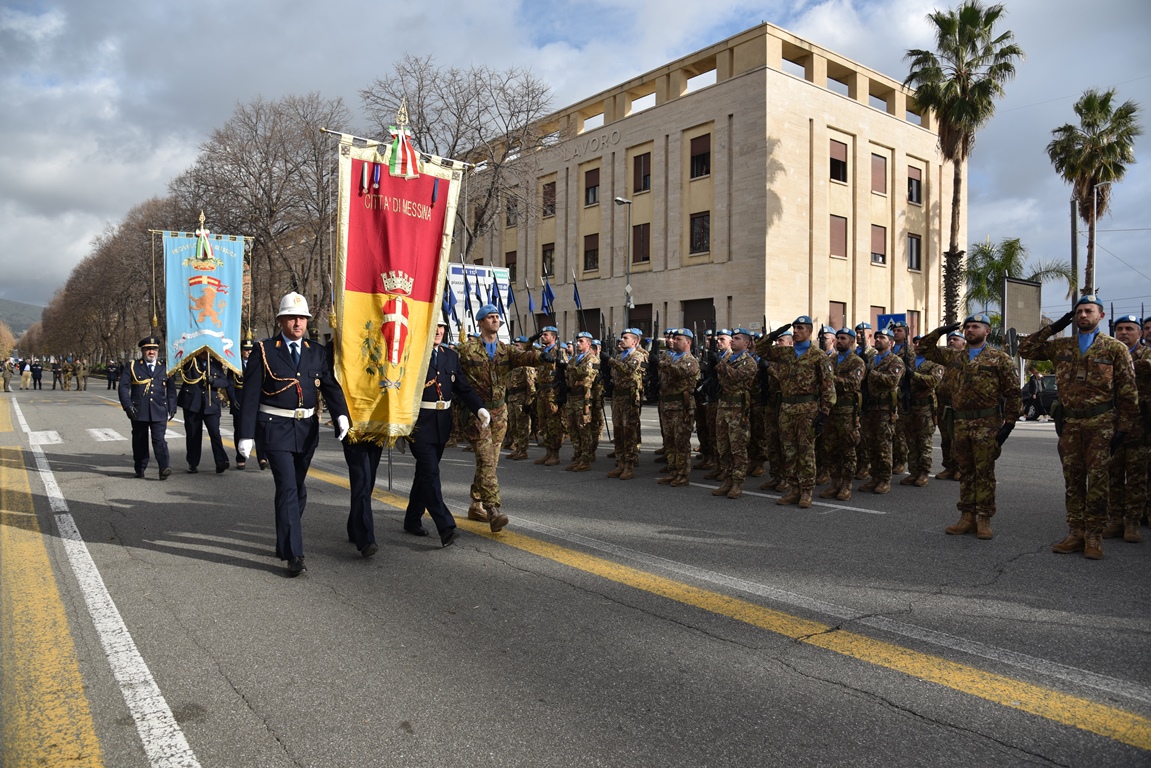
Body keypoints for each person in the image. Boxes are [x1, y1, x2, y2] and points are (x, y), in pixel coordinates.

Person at [237, 292, 350, 577]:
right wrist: (245, 435)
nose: (297, 323)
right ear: (281, 321)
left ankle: (283, 540)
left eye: (302, 318)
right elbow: (250, 396)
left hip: (307, 429)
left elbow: (330, 386)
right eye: (291, 318)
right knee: (287, 487)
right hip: (274, 428)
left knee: (298, 489)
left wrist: (341, 414)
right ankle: (295, 554)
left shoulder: (316, 351)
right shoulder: (265, 351)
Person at [1019, 297, 1137, 559]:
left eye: (1088, 311)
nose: (1083, 315)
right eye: (1079, 312)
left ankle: (1094, 535)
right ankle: (1075, 532)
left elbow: (1129, 392)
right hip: (1070, 424)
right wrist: (1055, 325)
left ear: (1101, 316)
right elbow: (1025, 349)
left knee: (1097, 481)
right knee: (1073, 480)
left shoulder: (1114, 349)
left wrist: (1123, 429)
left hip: (1101, 424)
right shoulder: (1063, 346)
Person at [921, 313, 1021, 540]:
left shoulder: (999, 359)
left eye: (975, 326)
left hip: (987, 423)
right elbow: (925, 348)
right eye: (967, 327)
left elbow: (1013, 393)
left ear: (987, 331)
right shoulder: (954, 357)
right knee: (966, 471)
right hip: (961, 422)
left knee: (984, 472)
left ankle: (984, 518)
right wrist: (941, 331)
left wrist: (1010, 424)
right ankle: (967, 516)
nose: (970, 330)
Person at [399, 321, 489, 549]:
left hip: (442, 424)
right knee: (431, 474)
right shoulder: (413, 354)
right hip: (419, 424)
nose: (438, 331)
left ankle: (412, 518)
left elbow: (463, 387)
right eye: (433, 326)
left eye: (441, 327)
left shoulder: (450, 356)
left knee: (424, 474)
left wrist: (479, 408)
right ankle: (445, 526)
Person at [457, 304, 541, 531]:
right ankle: (493, 509)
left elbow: (527, 357)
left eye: (497, 317)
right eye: (491, 317)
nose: (496, 320)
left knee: (490, 461)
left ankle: (476, 503)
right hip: (477, 413)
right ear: (480, 322)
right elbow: (453, 374)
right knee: (486, 459)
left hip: (499, 413)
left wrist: (546, 356)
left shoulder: (506, 351)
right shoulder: (467, 350)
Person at [756, 316, 835, 508]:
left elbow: (828, 387)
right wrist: (773, 334)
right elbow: (761, 350)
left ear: (809, 332)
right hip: (786, 408)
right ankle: (793, 489)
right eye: (794, 328)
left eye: (800, 328)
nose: (796, 331)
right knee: (789, 451)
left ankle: (807, 491)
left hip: (807, 409)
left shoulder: (819, 356)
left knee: (806, 452)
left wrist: (824, 413)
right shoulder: (786, 353)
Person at [1107, 314, 1149, 543]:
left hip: (1139, 428)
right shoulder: (1108, 354)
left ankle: (1132, 522)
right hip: (1111, 427)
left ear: (1140, 333)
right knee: (1112, 475)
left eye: (1129, 329)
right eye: (1120, 329)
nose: (1124, 333)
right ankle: (1115, 519)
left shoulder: (1147, 356)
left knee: (1136, 477)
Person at [118, 336, 177, 480]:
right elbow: (123, 387)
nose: (152, 352)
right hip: (139, 410)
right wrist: (128, 406)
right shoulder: (133, 366)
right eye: (148, 349)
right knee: (140, 440)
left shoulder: (165, 367)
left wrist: (172, 406)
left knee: (159, 440)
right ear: (143, 351)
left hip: (159, 409)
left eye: (154, 349)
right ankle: (140, 467)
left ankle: (164, 467)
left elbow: (171, 389)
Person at [711, 327, 758, 498]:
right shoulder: (728, 358)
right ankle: (727, 479)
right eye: (732, 338)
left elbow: (735, 377)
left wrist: (721, 363)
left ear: (746, 343)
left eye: (737, 338)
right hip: (723, 406)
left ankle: (738, 483)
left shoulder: (750, 363)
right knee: (723, 447)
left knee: (738, 448)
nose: (733, 340)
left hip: (738, 409)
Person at [820, 329, 866, 501]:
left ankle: (846, 484)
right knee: (830, 448)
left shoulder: (857, 362)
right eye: (837, 338)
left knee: (847, 448)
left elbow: (852, 384)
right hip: (830, 410)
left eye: (843, 338)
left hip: (846, 411)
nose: (839, 341)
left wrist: (831, 379)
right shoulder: (829, 359)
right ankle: (835, 482)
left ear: (852, 341)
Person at [859, 326, 904, 495]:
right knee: (870, 445)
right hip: (869, 407)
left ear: (891, 342)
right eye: (876, 337)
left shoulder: (895, 361)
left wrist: (872, 373)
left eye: (882, 338)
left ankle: (885, 479)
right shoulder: (870, 359)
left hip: (885, 408)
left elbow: (892, 381)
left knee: (884, 445)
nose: (878, 340)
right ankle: (875, 477)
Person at [656, 328, 700, 487]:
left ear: (688, 342)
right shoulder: (670, 358)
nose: (673, 341)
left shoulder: (690, 360)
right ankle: (673, 470)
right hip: (667, 405)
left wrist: (661, 364)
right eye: (673, 339)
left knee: (681, 441)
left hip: (682, 406)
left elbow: (680, 372)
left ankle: (683, 474)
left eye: (678, 339)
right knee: (669, 440)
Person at [177, 351, 232, 474]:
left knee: (215, 433)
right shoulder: (189, 361)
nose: (203, 352)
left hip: (210, 404)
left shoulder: (215, 363)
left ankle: (220, 461)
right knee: (193, 434)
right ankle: (193, 463)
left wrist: (214, 381)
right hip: (192, 404)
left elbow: (224, 381)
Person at [899, 335, 943, 487]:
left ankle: (924, 472)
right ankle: (913, 471)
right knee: (910, 440)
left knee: (924, 441)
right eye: (915, 343)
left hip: (924, 407)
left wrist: (913, 375)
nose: (917, 345)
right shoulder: (907, 361)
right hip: (908, 405)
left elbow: (933, 381)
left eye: (921, 343)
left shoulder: (935, 363)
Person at [606, 327, 648, 480]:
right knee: (618, 431)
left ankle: (629, 465)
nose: (622, 340)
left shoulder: (637, 356)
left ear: (635, 341)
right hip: (617, 397)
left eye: (626, 338)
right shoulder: (619, 356)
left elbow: (629, 370)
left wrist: (610, 361)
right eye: (622, 338)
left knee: (629, 432)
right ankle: (620, 463)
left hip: (629, 399)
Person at [561, 331, 598, 471]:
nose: (578, 343)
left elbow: (585, 373)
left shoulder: (592, 359)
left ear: (588, 344)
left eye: (581, 341)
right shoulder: (574, 359)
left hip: (584, 399)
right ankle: (577, 457)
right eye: (577, 341)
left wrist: (570, 369)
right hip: (572, 398)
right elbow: (568, 375)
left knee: (584, 430)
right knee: (573, 429)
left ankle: (586, 460)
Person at [934, 331, 967, 480]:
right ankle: (949, 467)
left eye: (955, 339)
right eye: (950, 339)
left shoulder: (967, 360)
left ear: (963, 343)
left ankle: (960, 468)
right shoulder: (943, 360)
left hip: (959, 406)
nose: (951, 341)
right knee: (946, 439)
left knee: (959, 439)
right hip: (943, 404)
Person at [533, 325, 566, 466]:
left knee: (554, 424)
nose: (543, 337)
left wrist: (562, 395)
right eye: (542, 334)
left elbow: (565, 374)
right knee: (543, 424)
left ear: (553, 337)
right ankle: (547, 452)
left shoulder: (559, 352)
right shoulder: (541, 352)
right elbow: (526, 348)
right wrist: (535, 336)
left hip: (553, 392)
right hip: (542, 392)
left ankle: (555, 454)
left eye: (545, 335)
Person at [505, 335, 537, 460]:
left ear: (523, 347)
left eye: (517, 345)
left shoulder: (526, 363)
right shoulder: (513, 363)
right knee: (513, 425)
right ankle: (517, 447)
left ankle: (523, 450)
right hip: (512, 397)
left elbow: (531, 384)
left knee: (522, 425)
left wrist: (529, 402)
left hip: (521, 398)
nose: (514, 347)